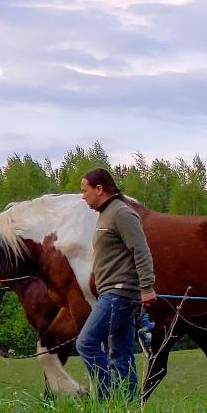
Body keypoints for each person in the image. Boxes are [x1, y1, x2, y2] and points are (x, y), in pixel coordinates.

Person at [74, 167, 156, 400]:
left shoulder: (121, 213)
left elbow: (140, 250)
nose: (83, 196)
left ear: (99, 189)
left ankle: (106, 398)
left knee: (86, 344)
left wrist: (147, 287)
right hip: (112, 293)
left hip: (119, 293)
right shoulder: (106, 214)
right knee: (121, 355)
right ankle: (128, 407)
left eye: (85, 190)